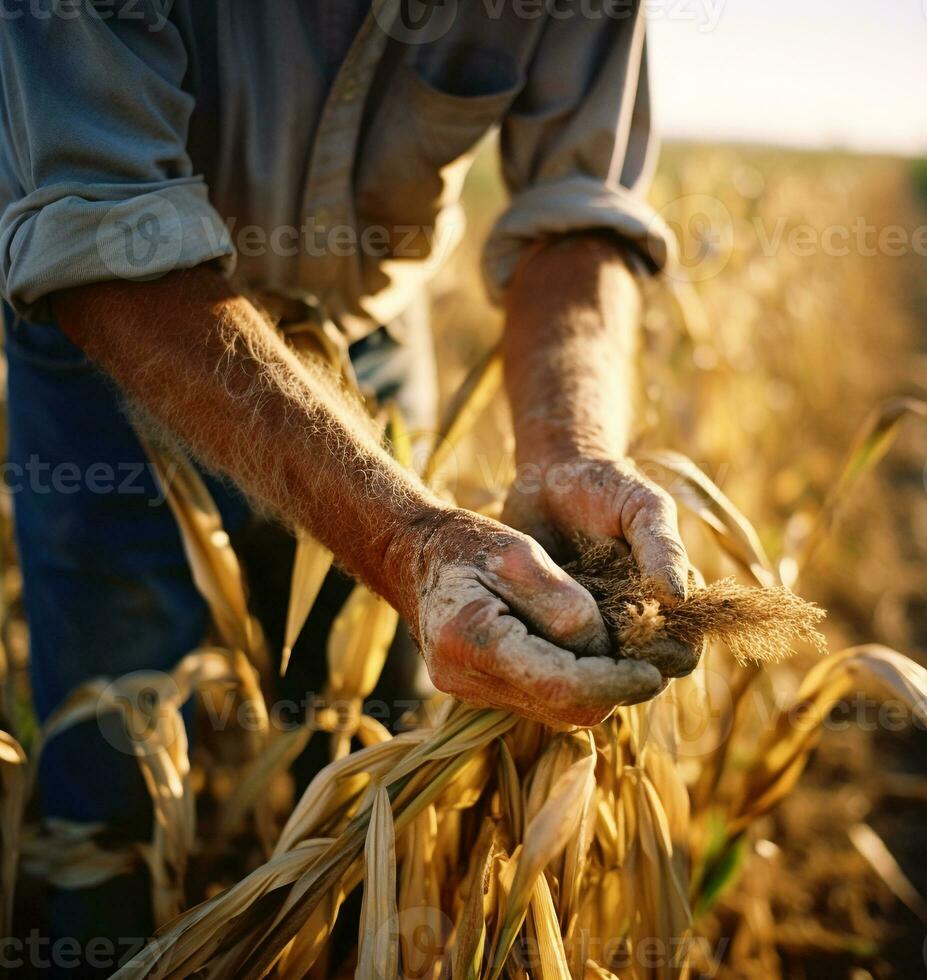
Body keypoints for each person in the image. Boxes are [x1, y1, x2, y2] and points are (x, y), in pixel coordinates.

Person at [0, 0, 695, 967]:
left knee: (376, 729)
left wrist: (568, 448)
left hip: (365, 327)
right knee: (113, 724)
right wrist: (405, 535)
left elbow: (578, 214)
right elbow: (101, 224)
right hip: (115, 325)